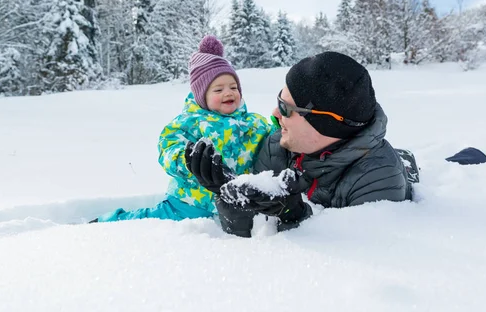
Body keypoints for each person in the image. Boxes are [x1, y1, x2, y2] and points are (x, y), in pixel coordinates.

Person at [187, 51, 418, 237]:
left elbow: (352, 262)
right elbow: (251, 234)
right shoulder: (276, 146)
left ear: (324, 123)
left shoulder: (379, 179)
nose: (275, 113)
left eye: (286, 107)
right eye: (279, 99)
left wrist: (294, 217)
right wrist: (229, 195)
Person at [93, 35, 272, 223]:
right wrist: (187, 160)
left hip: (238, 207)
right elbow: (168, 147)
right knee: (148, 221)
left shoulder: (254, 123)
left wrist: (280, 128)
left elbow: (273, 142)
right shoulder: (190, 122)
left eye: (233, 87)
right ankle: (108, 223)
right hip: (190, 202)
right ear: (202, 95)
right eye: (218, 90)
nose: (228, 93)